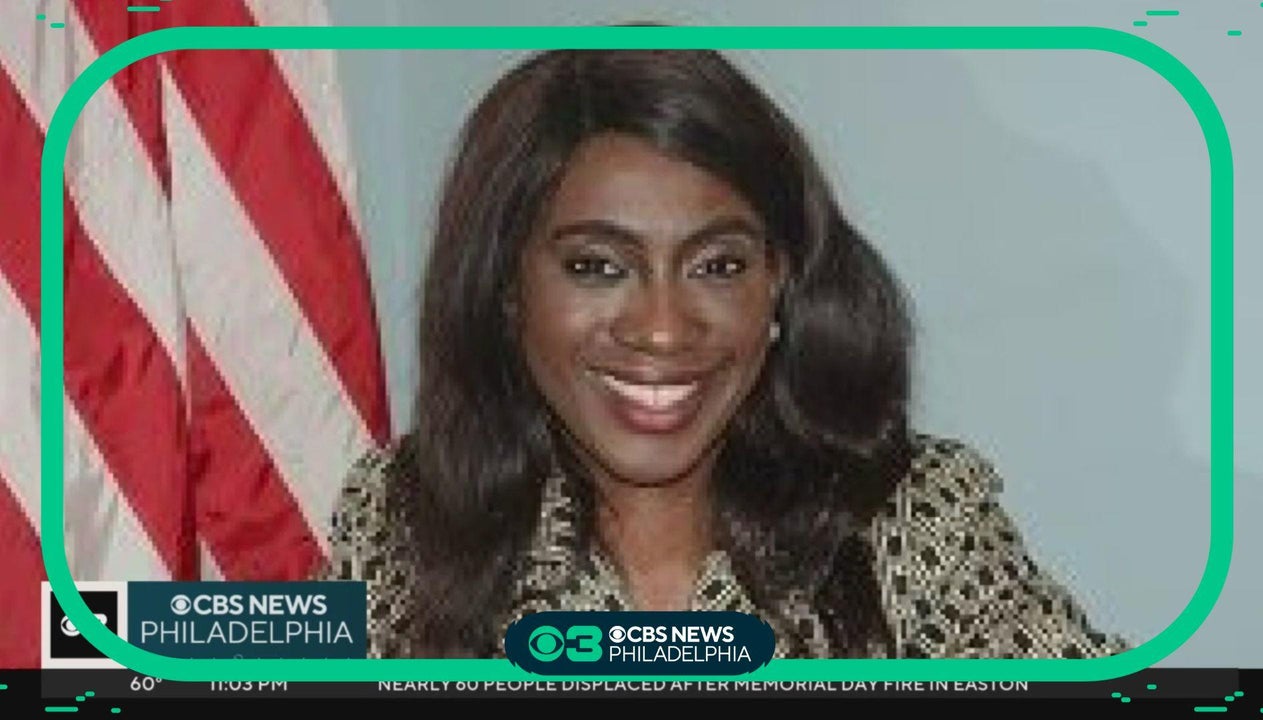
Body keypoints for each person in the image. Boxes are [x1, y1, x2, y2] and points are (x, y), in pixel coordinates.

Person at [319, 47, 1130, 661]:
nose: (663, 330)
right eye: (596, 266)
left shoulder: (910, 519)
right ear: (505, 289)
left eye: (718, 266)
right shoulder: (401, 524)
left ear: (782, 282)